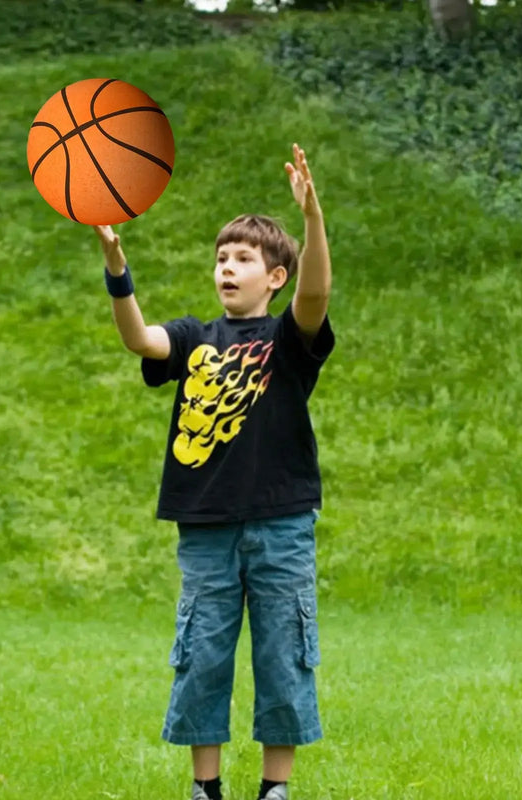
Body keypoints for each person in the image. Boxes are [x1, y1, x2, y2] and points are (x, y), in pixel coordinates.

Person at [93, 143, 334, 800]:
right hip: (204, 527)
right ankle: (206, 788)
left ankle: (274, 789)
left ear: (274, 277)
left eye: (243, 259)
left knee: (283, 655)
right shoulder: (195, 336)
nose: (227, 267)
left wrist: (311, 220)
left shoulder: (289, 340)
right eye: (221, 258)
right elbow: (139, 341)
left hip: (281, 525)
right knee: (202, 656)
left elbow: (317, 292)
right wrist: (118, 268)